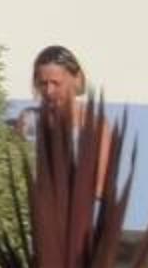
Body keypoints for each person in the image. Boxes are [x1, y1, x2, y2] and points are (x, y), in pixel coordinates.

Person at [22, 42, 119, 184]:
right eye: (43, 83)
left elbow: (101, 183)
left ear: (76, 79)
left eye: (56, 83)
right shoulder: (29, 120)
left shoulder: (94, 126)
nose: (49, 91)